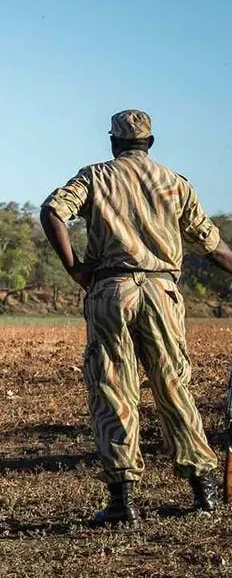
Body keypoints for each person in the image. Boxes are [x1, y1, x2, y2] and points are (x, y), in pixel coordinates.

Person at [40, 109, 232, 525]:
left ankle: (122, 499)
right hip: (163, 293)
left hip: (111, 290)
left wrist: (76, 268)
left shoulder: (95, 176)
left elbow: (52, 211)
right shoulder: (175, 184)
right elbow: (214, 247)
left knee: (112, 387)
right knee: (174, 387)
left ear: (113, 142)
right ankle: (203, 490)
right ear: (150, 142)